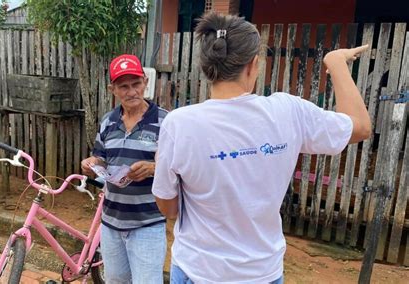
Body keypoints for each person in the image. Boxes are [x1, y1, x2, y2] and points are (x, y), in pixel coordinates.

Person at [152, 13, 371, 283]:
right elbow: (360, 126)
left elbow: (168, 208)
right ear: (253, 64)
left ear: (207, 66)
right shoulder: (288, 111)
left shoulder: (179, 124)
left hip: (198, 270)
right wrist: (336, 63)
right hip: (262, 273)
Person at [81, 54, 168, 283]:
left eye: (136, 84)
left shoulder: (166, 122)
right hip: (111, 223)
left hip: (148, 223)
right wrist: (92, 164)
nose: (131, 92)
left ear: (145, 83)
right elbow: (100, 157)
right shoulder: (108, 122)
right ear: (113, 89)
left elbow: (179, 169)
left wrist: (153, 168)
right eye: (124, 86)